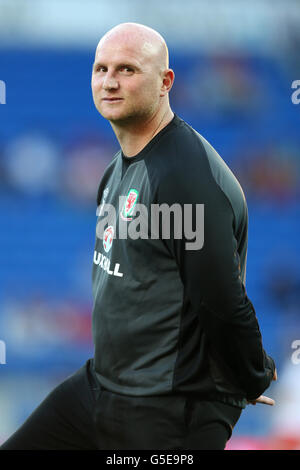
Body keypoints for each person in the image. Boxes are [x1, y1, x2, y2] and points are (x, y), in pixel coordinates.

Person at [0, 22, 277, 451]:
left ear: (165, 81)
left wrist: (250, 373)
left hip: (169, 407)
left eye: (127, 69)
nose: (109, 81)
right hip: (104, 387)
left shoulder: (185, 175)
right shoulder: (118, 165)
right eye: (101, 69)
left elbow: (220, 299)